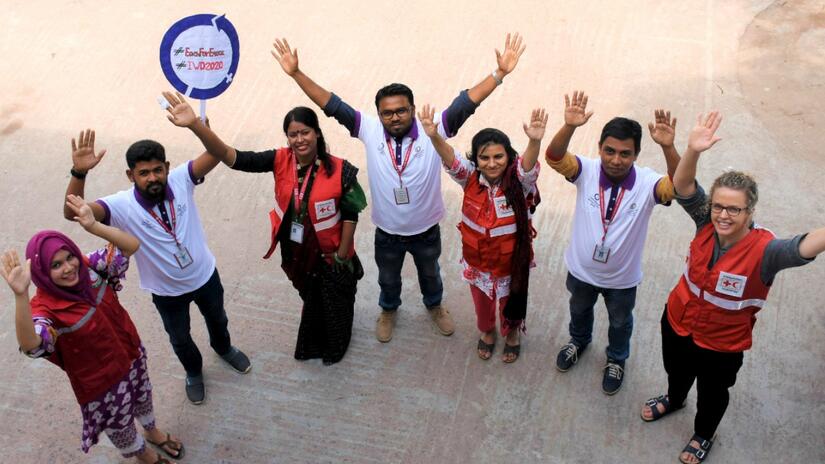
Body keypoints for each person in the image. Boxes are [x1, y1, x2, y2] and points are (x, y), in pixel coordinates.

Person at [270, 34, 526, 343]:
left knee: (430, 274)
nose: (394, 117)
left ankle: (435, 306)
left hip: (426, 228)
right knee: (388, 278)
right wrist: (297, 73)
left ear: (413, 109)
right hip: (388, 230)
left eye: (401, 110)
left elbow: (466, 103)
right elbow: (331, 104)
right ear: (378, 114)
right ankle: (388, 309)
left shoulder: (434, 129)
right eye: (387, 112)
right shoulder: (368, 128)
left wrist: (499, 74)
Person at [639, 112, 824, 464]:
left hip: (722, 344)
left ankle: (704, 433)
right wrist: (689, 150)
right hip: (678, 322)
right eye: (719, 207)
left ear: (750, 211)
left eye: (734, 210)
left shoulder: (767, 252)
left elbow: (803, 246)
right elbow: (683, 187)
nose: (723, 215)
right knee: (676, 372)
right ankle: (674, 399)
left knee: (712, 393)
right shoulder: (704, 221)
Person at [161, 91, 368, 365]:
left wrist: (342, 254)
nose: (299, 140)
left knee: (336, 302)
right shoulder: (279, 160)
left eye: (304, 132)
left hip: (331, 254)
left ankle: (335, 347)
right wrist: (196, 127)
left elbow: (352, 213)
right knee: (313, 298)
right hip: (297, 253)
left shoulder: (341, 170)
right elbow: (230, 156)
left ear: (317, 133)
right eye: (292, 134)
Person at [63, 129, 251, 405]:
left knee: (218, 319)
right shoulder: (121, 206)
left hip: (205, 276)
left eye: (157, 170)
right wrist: (79, 174)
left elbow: (218, 153)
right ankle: (194, 372)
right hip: (166, 292)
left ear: (167, 168)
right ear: (131, 176)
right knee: (180, 338)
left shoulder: (181, 179)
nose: (152, 178)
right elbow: (72, 213)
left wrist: (199, 128)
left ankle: (223, 349)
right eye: (143, 173)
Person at [1, 195, 184, 464]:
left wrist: (93, 227)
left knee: (143, 394)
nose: (68, 268)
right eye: (56, 265)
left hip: (130, 353)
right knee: (118, 423)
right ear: (41, 271)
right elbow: (32, 344)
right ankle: (143, 455)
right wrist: (20, 296)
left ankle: (153, 431)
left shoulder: (89, 267)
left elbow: (130, 246)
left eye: (68, 257)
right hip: (102, 383)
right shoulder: (44, 309)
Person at [545, 91, 681, 394]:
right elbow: (554, 157)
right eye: (609, 151)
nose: (615, 160)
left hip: (622, 280)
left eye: (625, 153)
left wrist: (669, 147)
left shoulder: (648, 184)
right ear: (600, 149)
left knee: (620, 323)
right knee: (579, 311)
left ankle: (617, 359)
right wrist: (569, 127)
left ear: (636, 155)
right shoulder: (586, 170)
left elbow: (681, 187)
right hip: (581, 272)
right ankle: (578, 342)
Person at [420, 105, 546, 363]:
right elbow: (451, 160)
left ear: (509, 157)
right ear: (475, 160)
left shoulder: (519, 183)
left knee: (510, 303)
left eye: (498, 157)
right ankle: (487, 332)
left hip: (510, 264)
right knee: (482, 304)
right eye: (484, 158)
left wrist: (534, 141)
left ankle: (511, 334)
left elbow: (528, 167)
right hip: (478, 262)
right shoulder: (469, 179)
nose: (492, 164)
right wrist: (434, 136)